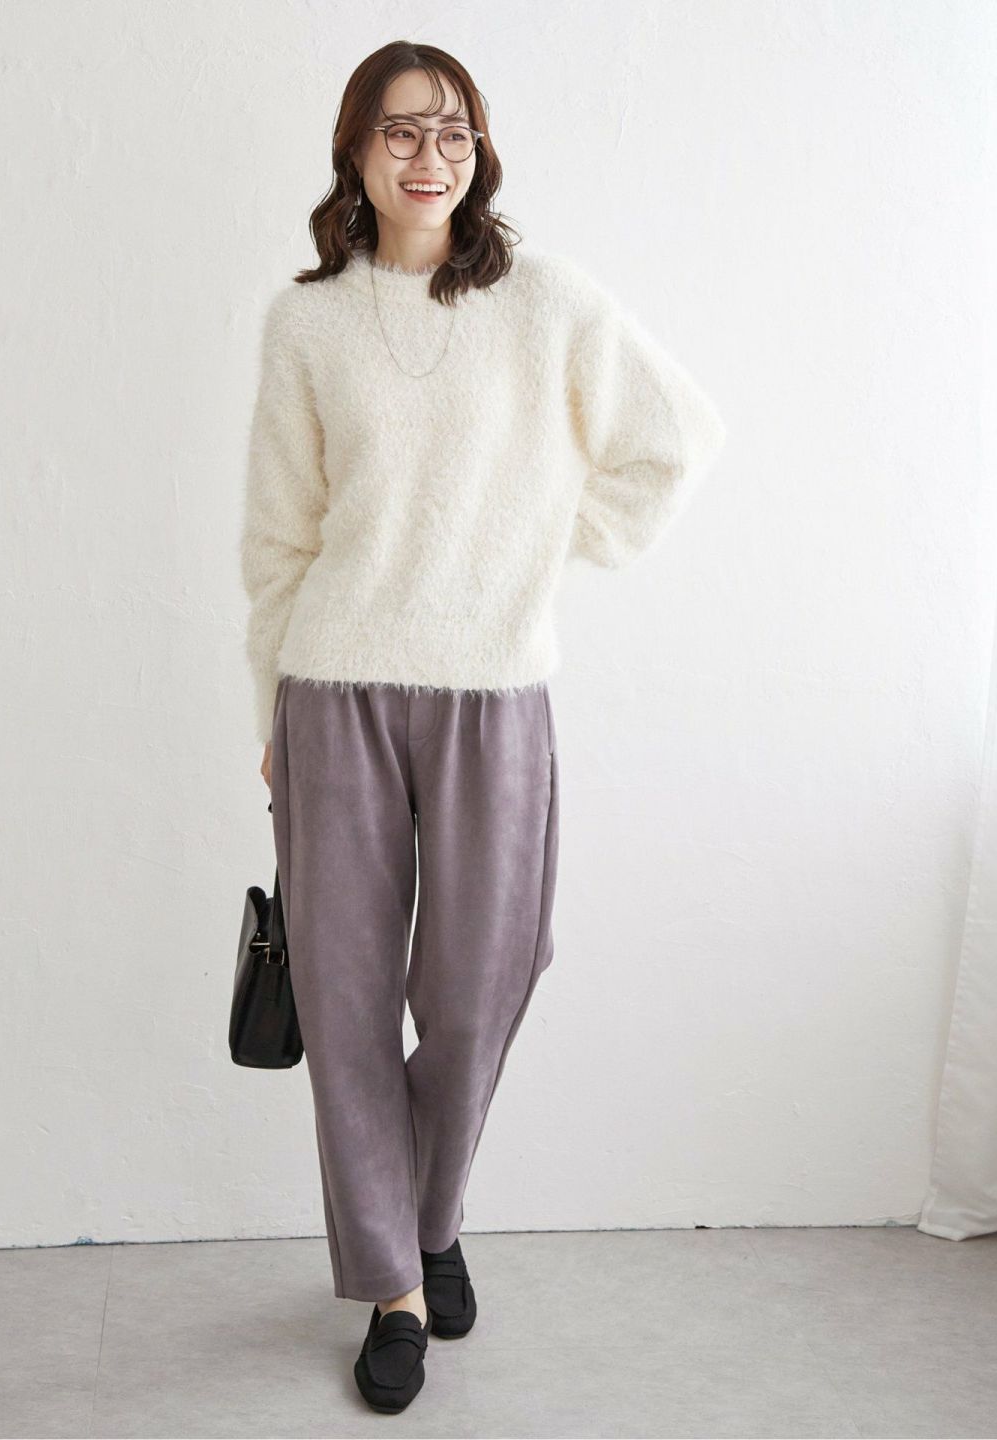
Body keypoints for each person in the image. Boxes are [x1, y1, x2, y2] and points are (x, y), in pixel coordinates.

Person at [239, 40, 727, 1415]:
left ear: (480, 151)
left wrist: (538, 546)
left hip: (495, 692)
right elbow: (278, 541)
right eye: (402, 131)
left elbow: (675, 440)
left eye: (453, 132)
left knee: (483, 985)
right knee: (345, 1000)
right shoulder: (307, 324)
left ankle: (430, 1213)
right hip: (333, 688)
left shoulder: (547, 302)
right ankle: (395, 1287)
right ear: (356, 150)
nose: (430, 156)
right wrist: (268, 707)